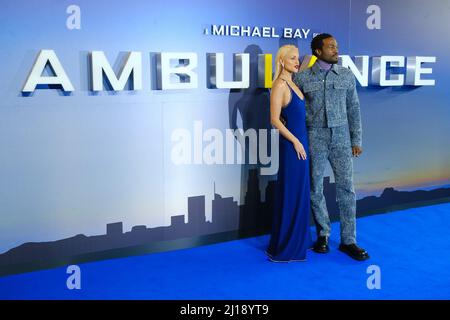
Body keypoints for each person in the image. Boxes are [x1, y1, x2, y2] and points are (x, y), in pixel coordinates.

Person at [293, 33, 369, 261]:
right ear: (318, 51)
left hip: (341, 139)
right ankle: (323, 235)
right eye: (331, 47)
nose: (336, 50)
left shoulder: (346, 76)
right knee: (315, 189)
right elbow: (289, 106)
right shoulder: (302, 78)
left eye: (336, 46)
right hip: (313, 138)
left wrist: (356, 140)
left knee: (347, 189)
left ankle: (349, 240)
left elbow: (354, 109)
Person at [266, 44, 313, 262]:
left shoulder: (293, 83)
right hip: (292, 146)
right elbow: (274, 119)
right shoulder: (279, 86)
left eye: (297, 58)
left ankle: (297, 241)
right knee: (291, 194)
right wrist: (295, 142)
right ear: (282, 61)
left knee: (299, 193)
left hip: (301, 143)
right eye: (292, 58)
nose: (297, 61)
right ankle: (285, 247)